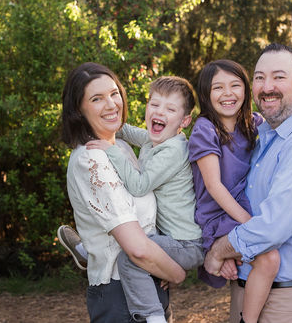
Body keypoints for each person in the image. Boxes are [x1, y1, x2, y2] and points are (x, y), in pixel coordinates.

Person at [203, 43, 292, 323]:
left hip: (288, 301)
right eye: (259, 77)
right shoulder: (262, 135)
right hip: (247, 291)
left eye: (279, 77)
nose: (267, 87)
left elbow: (273, 226)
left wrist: (217, 251)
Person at [62, 76, 205, 323]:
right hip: (122, 292)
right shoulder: (100, 155)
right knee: (129, 259)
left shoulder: (170, 149)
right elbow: (123, 128)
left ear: (183, 121)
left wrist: (112, 148)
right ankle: (93, 250)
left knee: (130, 259)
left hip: (181, 244)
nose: (160, 112)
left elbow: (138, 186)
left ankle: (92, 251)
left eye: (170, 109)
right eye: (154, 104)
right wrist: (110, 124)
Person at [188, 59, 280, 323]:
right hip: (217, 216)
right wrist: (248, 224)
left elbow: (287, 127)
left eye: (235, 85)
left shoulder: (252, 122)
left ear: (246, 90)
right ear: (206, 94)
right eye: (218, 88)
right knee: (269, 256)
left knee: (257, 259)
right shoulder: (205, 129)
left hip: (240, 209)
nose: (227, 94)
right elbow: (214, 186)